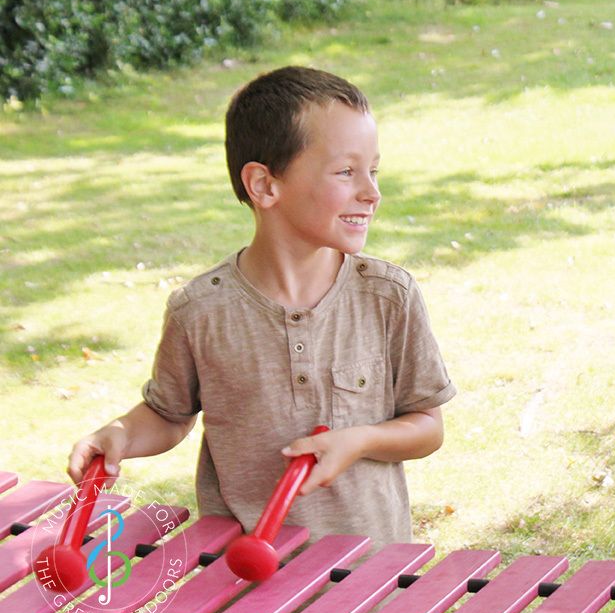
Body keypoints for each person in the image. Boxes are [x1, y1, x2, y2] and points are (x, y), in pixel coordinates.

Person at [68, 66, 456, 549]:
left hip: (370, 578)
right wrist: (121, 434)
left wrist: (359, 440)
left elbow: (426, 426)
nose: (371, 192)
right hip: (245, 579)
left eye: (373, 170)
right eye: (346, 172)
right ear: (264, 186)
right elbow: (169, 414)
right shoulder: (201, 310)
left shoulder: (388, 296)